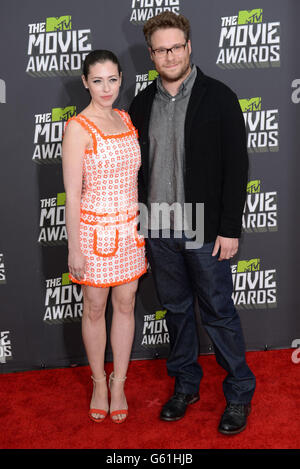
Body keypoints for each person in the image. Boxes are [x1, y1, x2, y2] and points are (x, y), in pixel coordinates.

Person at [129, 12, 256, 435]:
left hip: (204, 227)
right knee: (178, 312)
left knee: (218, 312)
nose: (169, 55)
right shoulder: (142, 103)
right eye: (161, 49)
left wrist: (230, 228)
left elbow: (237, 168)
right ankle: (186, 385)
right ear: (151, 54)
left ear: (189, 47)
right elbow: (138, 170)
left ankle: (239, 392)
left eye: (176, 47)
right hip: (158, 226)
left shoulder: (219, 97)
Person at [62, 50, 147, 424]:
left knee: (126, 305)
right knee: (95, 308)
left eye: (113, 79)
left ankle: (119, 383)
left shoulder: (126, 118)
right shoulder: (78, 127)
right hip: (94, 233)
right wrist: (74, 247)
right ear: (85, 82)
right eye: (98, 80)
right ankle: (99, 382)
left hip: (129, 230)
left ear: (121, 79)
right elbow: (74, 194)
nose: (107, 87)